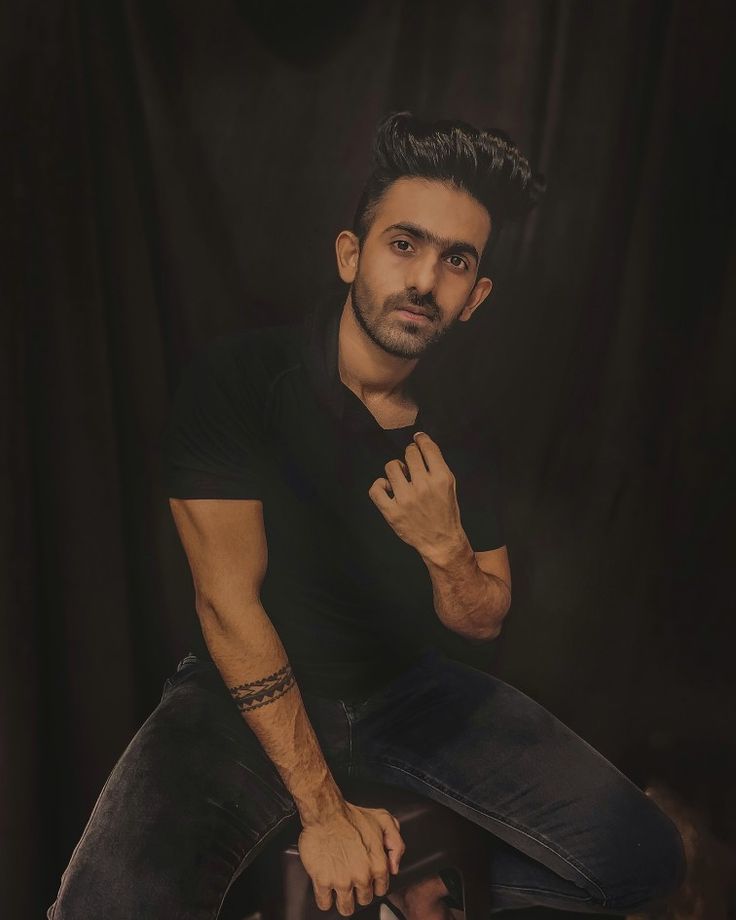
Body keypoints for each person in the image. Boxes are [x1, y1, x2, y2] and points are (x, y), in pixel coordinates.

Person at [48, 112, 688, 920]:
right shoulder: (243, 381)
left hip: (405, 688)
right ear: (352, 253)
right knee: (101, 908)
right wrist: (325, 814)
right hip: (242, 690)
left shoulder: (469, 425)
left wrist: (444, 547)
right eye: (404, 244)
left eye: (456, 260)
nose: (426, 279)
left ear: (477, 295)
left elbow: (485, 615)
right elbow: (227, 605)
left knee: (641, 856)